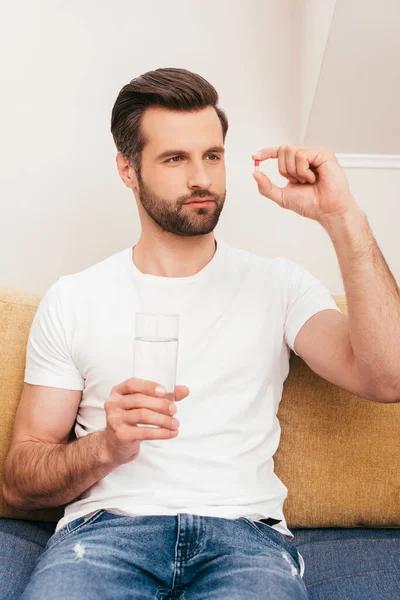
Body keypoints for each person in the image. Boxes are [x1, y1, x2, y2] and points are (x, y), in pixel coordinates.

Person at [4, 68, 399, 600]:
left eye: (212, 156)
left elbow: (389, 377)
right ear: (127, 169)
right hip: (104, 538)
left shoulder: (278, 285)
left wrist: (342, 217)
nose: (202, 179)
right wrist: (106, 447)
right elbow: (20, 481)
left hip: (245, 541)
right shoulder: (75, 298)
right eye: (175, 159)